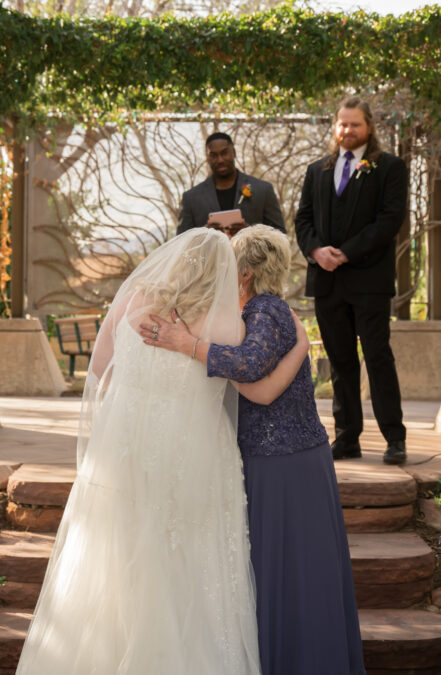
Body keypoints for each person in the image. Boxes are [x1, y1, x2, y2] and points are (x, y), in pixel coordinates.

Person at [16, 228, 310, 675]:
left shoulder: (133, 300)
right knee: (190, 559)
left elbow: (100, 370)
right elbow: (254, 389)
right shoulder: (225, 322)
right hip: (195, 454)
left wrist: (134, 407)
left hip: (128, 449)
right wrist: (299, 349)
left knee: (119, 555)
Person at [140, 225, 366, 675]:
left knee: (294, 577)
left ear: (244, 273)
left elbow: (249, 368)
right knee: (284, 576)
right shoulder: (263, 311)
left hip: (284, 463)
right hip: (283, 459)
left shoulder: (265, 311)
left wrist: (188, 344)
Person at [295, 97, 407, 465]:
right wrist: (316, 251)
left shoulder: (389, 167)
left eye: (354, 124)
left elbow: (389, 221)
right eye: (342, 124)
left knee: (377, 357)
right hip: (327, 281)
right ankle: (346, 438)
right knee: (341, 360)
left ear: (369, 127)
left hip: (369, 280)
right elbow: (303, 220)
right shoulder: (317, 170)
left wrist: (346, 252)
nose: (347, 130)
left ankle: (394, 438)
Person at [176, 132, 286, 235]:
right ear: (208, 158)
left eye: (224, 153)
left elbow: (280, 235)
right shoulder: (191, 198)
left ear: (234, 152)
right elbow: (180, 243)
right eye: (213, 155)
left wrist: (250, 233)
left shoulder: (263, 190)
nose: (220, 160)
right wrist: (204, 234)